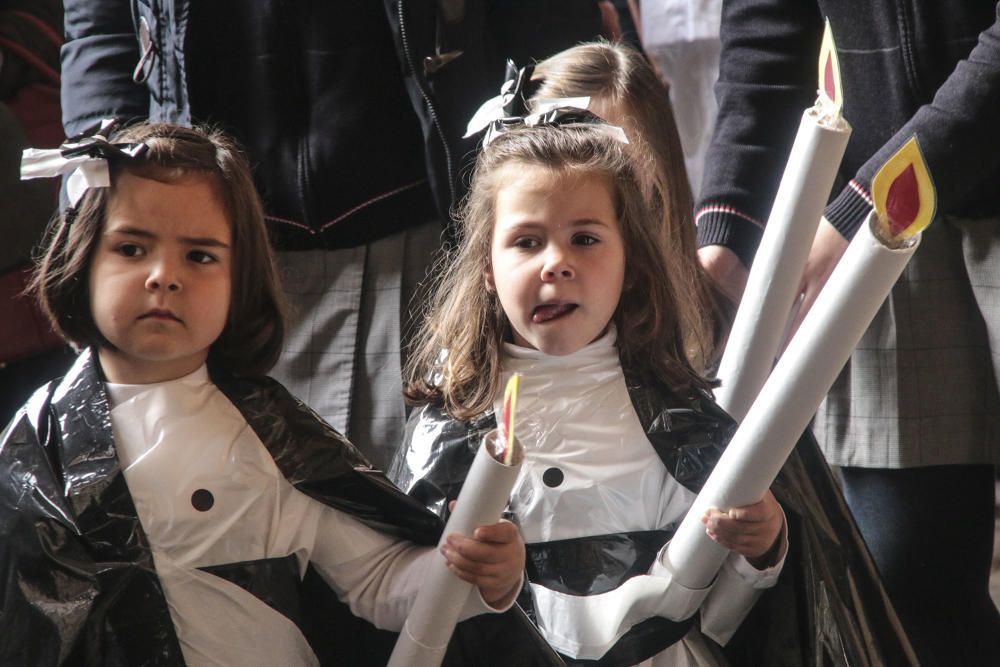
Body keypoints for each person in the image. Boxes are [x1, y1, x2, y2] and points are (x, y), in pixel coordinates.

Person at [0, 122, 546, 667]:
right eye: (132, 247)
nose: (164, 276)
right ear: (82, 258)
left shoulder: (270, 437)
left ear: (242, 279)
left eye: (200, 256)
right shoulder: (33, 448)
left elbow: (381, 583)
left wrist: (477, 574)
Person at [58, 0, 605, 470]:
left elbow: (550, 23)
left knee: (445, 532)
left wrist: (567, 165)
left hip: (432, 228)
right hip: (208, 255)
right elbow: (100, 26)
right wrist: (101, 172)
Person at [390, 121, 788, 666]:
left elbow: (726, 618)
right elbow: (404, 604)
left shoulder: (682, 421)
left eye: (585, 238)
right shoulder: (448, 433)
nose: (556, 262)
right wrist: (488, 584)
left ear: (629, 264)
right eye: (527, 241)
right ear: (487, 267)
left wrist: (761, 548)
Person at [696, 3, 1000, 663]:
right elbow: (767, 31)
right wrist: (727, 227)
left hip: (882, 197)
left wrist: (866, 201)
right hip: (882, 217)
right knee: (906, 575)